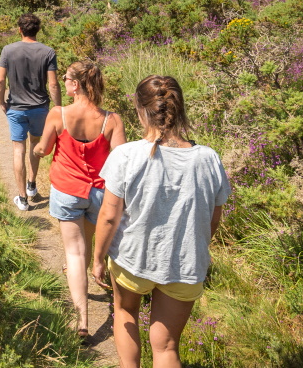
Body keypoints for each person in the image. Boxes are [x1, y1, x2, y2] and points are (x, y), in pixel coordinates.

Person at [91, 75, 231, 368]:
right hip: (185, 263)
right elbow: (211, 221)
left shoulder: (126, 155)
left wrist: (98, 257)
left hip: (132, 259)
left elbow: (108, 215)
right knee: (167, 347)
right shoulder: (208, 158)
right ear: (180, 108)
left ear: (140, 110)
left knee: (125, 312)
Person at [32, 60, 125, 340]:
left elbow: (44, 148)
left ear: (74, 85)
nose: (63, 84)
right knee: (91, 248)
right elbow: (121, 163)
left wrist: (36, 148)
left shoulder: (58, 114)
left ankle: (81, 322)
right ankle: (114, 302)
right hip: (100, 193)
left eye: (66, 80)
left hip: (67, 190)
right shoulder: (112, 120)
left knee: (74, 253)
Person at [0, 13, 60, 211]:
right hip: (39, 108)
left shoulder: (8, 50)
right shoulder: (48, 52)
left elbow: (0, 81)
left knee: (18, 150)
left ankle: (22, 198)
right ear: (37, 30)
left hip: (16, 108)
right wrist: (58, 109)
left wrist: (1, 102)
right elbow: (54, 85)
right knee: (35, 144)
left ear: (20, 29)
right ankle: (32, 185)